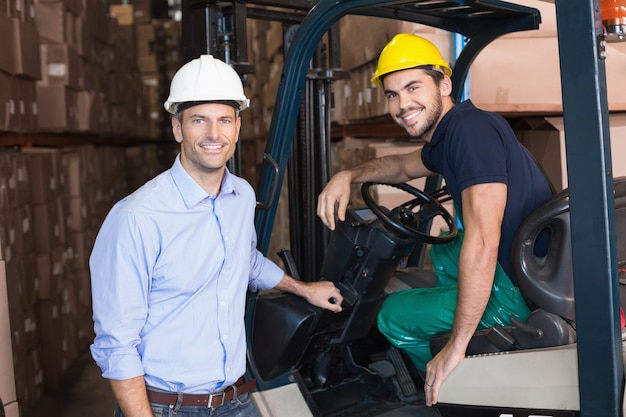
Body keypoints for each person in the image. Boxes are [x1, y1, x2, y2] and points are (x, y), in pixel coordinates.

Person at [90, 54, 344, 417]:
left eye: (224, 120)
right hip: (167, 407)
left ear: (237, 128)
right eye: (199, 121)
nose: (214, 134)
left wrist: (302, 288)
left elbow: (245, 259)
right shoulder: (137, 218)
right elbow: (116, 343)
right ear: (178, 129)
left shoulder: (240, 196)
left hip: (235, 400)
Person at [317, 34, 553, 407]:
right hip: (524, 267)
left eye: (413, 87)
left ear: (444, 83)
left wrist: (457, 344)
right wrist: (348, 175)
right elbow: (399, 166)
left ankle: (454, 395)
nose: (402, 104)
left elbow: (484, 241)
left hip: (511, 293)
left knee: (393, 315)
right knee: (444, 252)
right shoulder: (452, 133)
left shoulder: (469, 133)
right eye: (392, 94)